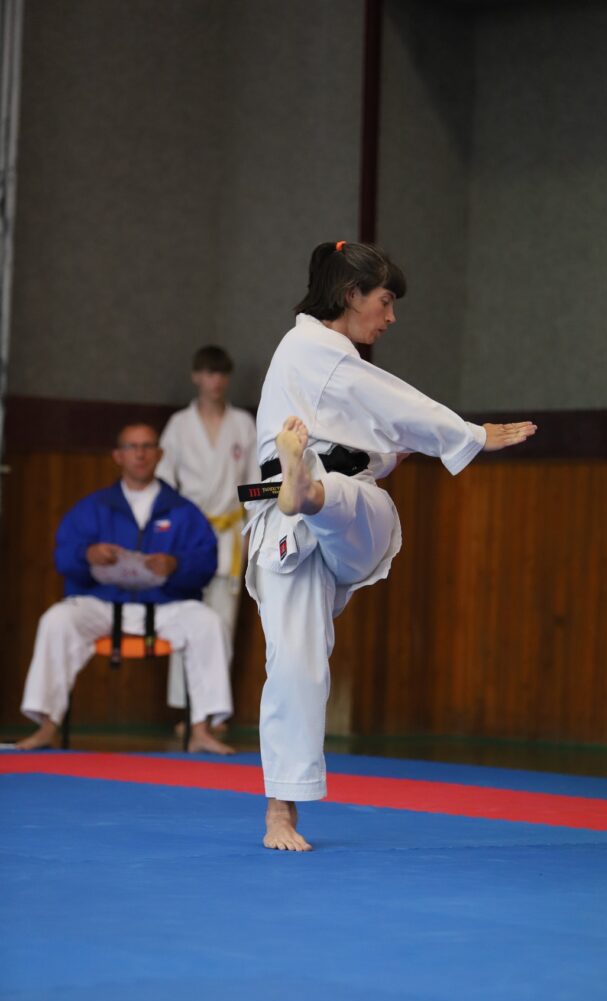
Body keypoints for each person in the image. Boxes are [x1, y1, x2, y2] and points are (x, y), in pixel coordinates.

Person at [244, 240, 538, 852]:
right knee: (361, 512)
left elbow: (377, 429)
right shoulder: (322, 353)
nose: (391, 316)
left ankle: (279, 816)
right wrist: (470, 435)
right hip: (314, 512)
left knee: (294, 661)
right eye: (385, 301)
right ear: (351, 295)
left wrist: (394, 452)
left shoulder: (306, 360)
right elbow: (398, 403)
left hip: (284, 516)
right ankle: (312, 492)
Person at [16, 423, 234, 754]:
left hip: (166, 603)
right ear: (118, 456)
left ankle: (201, 729)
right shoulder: (93, 507)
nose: (140, 454)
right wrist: (87, 554)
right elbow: (64, 555)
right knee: (57, 620)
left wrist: (175, 564)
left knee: (209, 623)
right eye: (132, 447)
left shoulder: (182, 510)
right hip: (103, 601)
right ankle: (47, 725)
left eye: (147, 446)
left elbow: (206, 560)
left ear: (159, 454)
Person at [156, 346, 259, 743]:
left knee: (221, 626)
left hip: (229, 534)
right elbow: (164, 485)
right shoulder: (179, 426)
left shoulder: (243, 424)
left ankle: (212, 714)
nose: (215, 381)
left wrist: (251, 529)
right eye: (208, 373)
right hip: (188, 536)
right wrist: (171, 533)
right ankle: (187, 711)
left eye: (221, 374)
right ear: (196, 376)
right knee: (183, 621)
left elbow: (256, 486)